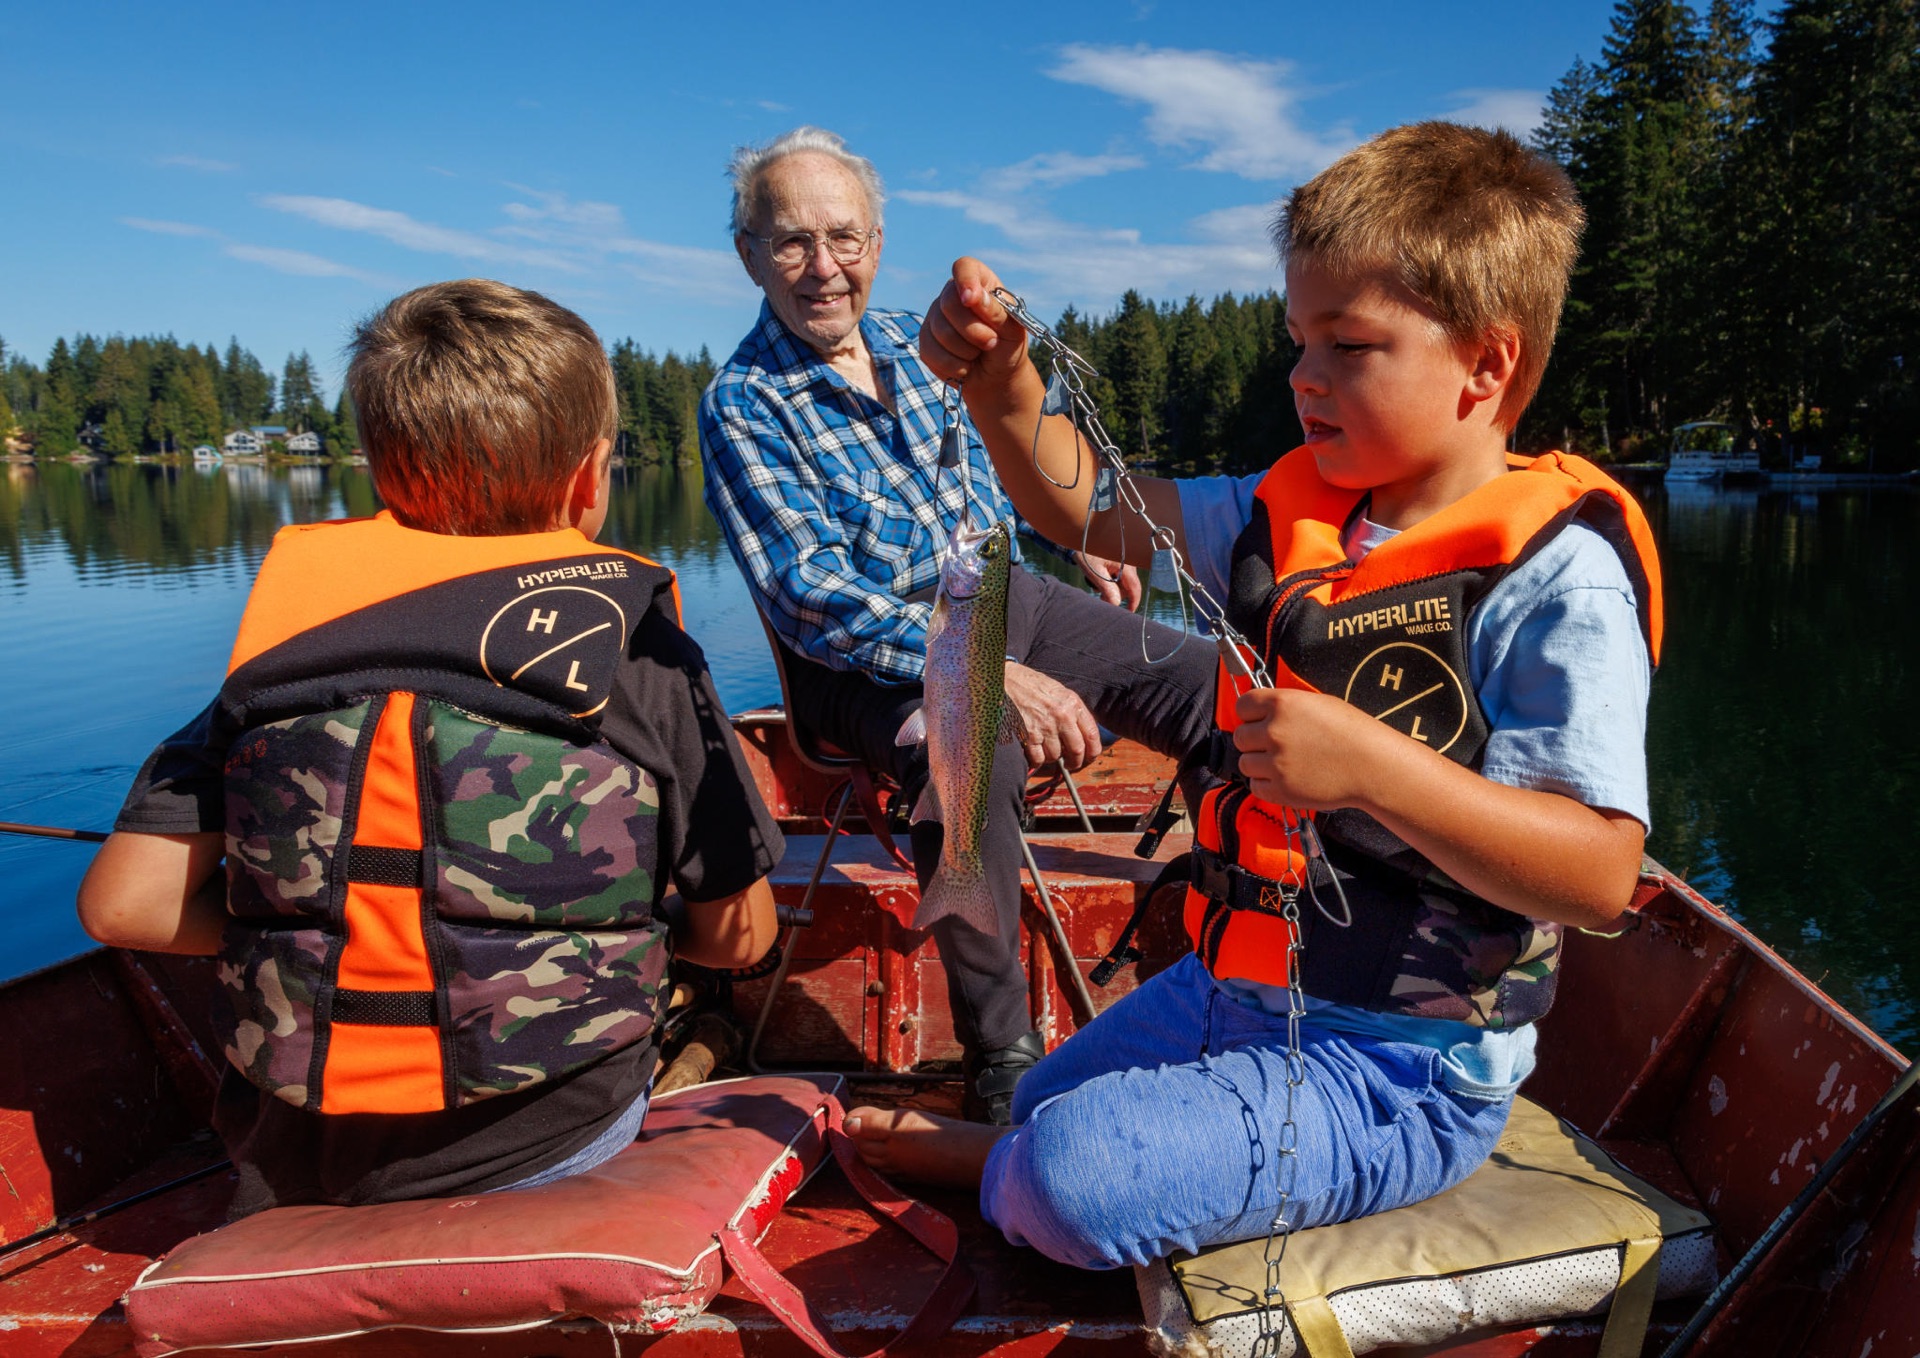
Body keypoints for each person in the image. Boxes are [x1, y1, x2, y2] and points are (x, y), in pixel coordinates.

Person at [847, 122, 1665, 1271]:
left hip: (1400, 1067)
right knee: (1042, 1104)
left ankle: (982, 1159)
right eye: (1297, 341)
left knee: (1060, 1179)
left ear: (1485, 365)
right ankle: (1001, 1144)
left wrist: (1367, 764)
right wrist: (1003, 384)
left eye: (1349, 346)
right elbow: (1094, 512)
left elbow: (1598, 876)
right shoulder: (1295, 510)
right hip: (1239, 988)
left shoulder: (1556, 577)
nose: (1302, 377)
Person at [77, 279, 784, 1217]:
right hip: (544, 1142)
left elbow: (123, 906)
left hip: (290, 1153)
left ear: (379, 470)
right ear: (590, 476)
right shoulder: (643, 664)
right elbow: (742, 939)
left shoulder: (287, 653)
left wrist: (323, 921)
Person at [698, 127, 1216, 1123]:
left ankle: (1234, 963)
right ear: (749, 256)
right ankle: (1004, 1056)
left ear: (878, 242)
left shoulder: (917, 345)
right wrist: (980, 670)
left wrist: (1075, 538)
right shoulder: (744, 403)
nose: (823, 267)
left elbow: (996, 480)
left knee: (1207, 688)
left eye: (842, 238)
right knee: (965, 748)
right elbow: (813, 597)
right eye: (792, 241)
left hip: (996, 591)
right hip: (860, 661)